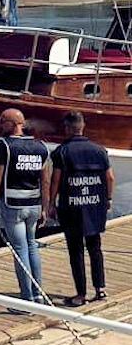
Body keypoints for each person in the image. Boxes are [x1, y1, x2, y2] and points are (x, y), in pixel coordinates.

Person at [0, 109, 50, 305]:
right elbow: (45, 181)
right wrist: (45, 208)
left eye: (2, 121)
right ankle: (38, 295)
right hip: (34, 205)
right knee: (31, 246)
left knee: (20, 249)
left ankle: (26, 299)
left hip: (13, 206)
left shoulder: (4, 146)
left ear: (11, 123)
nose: (0, 125)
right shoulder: (41, 146)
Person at [49, 110, 113, 307]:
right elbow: (110, 177)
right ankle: (100, 289)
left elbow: (56, 180)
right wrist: (107, 199)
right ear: (83, 126)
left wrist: (51, 203)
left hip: (72, 207)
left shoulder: (62, 152)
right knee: (95, 248)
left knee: (76, 250)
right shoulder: (100, 150)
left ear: (67, 128)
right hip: (95, 204)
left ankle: (81, 295)